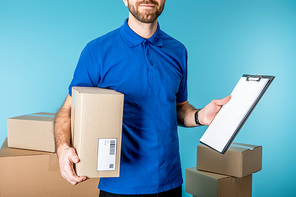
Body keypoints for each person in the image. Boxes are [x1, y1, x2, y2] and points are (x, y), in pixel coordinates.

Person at [54, 0, 231, 196]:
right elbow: (68, 109)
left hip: (169, 183)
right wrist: (62, 148)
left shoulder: (178, 51)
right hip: (119, 186)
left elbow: (178, 108)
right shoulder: (97, 51)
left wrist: (199, 116)